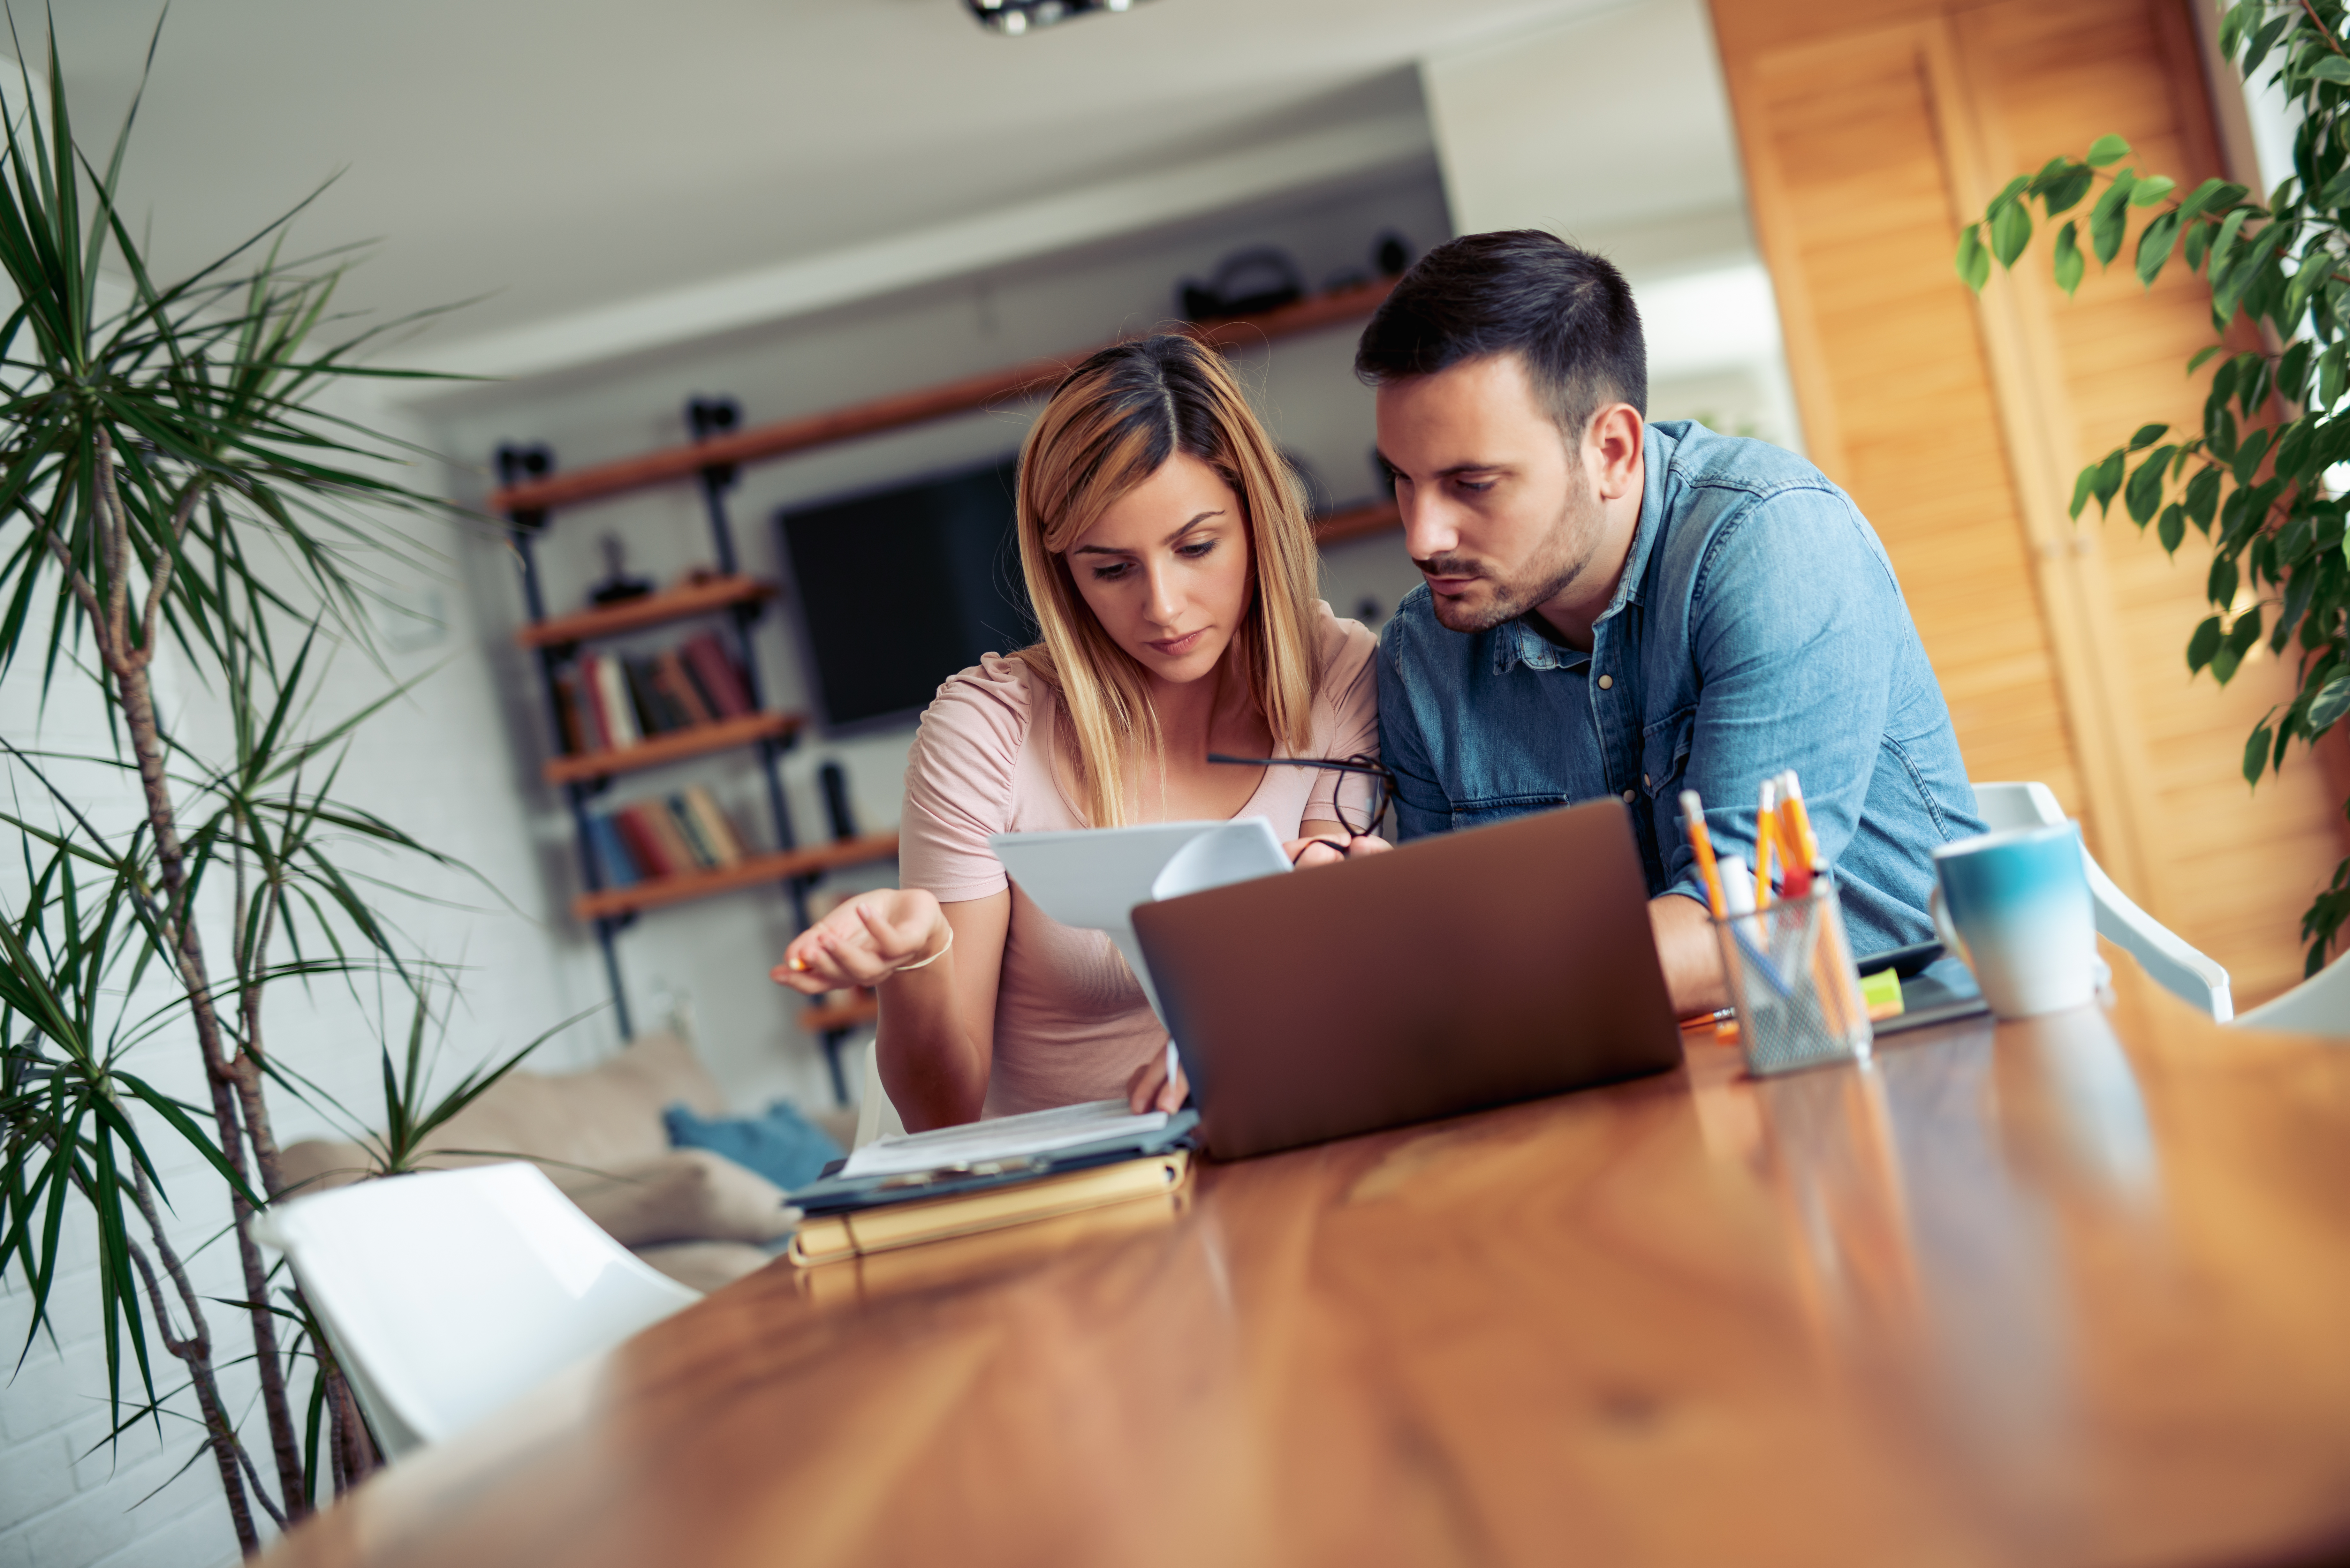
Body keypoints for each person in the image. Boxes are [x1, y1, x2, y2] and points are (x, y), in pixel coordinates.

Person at [1357, 230, 1984, 1016]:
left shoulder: (1772, 542)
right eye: (1402, 481)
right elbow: (1452, 941)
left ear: (1610, 451)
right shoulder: (1423, 653)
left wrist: (1446, 984)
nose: (1421, 536)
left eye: (1472, 484)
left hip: (1898, 1038)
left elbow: (1752, 926)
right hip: (1639, 1072)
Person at [771, 335, 1383, 1129]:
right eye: (1111, 568)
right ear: (1063, 569)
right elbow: (940, 1113)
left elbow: (1333, 998)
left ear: (1257, 522)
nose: (1162, 606)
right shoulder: (984, 731)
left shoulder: (1337, 671)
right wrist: (917, 958)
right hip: (1061, 1199)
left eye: (1196, 547)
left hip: (1273, 1144)